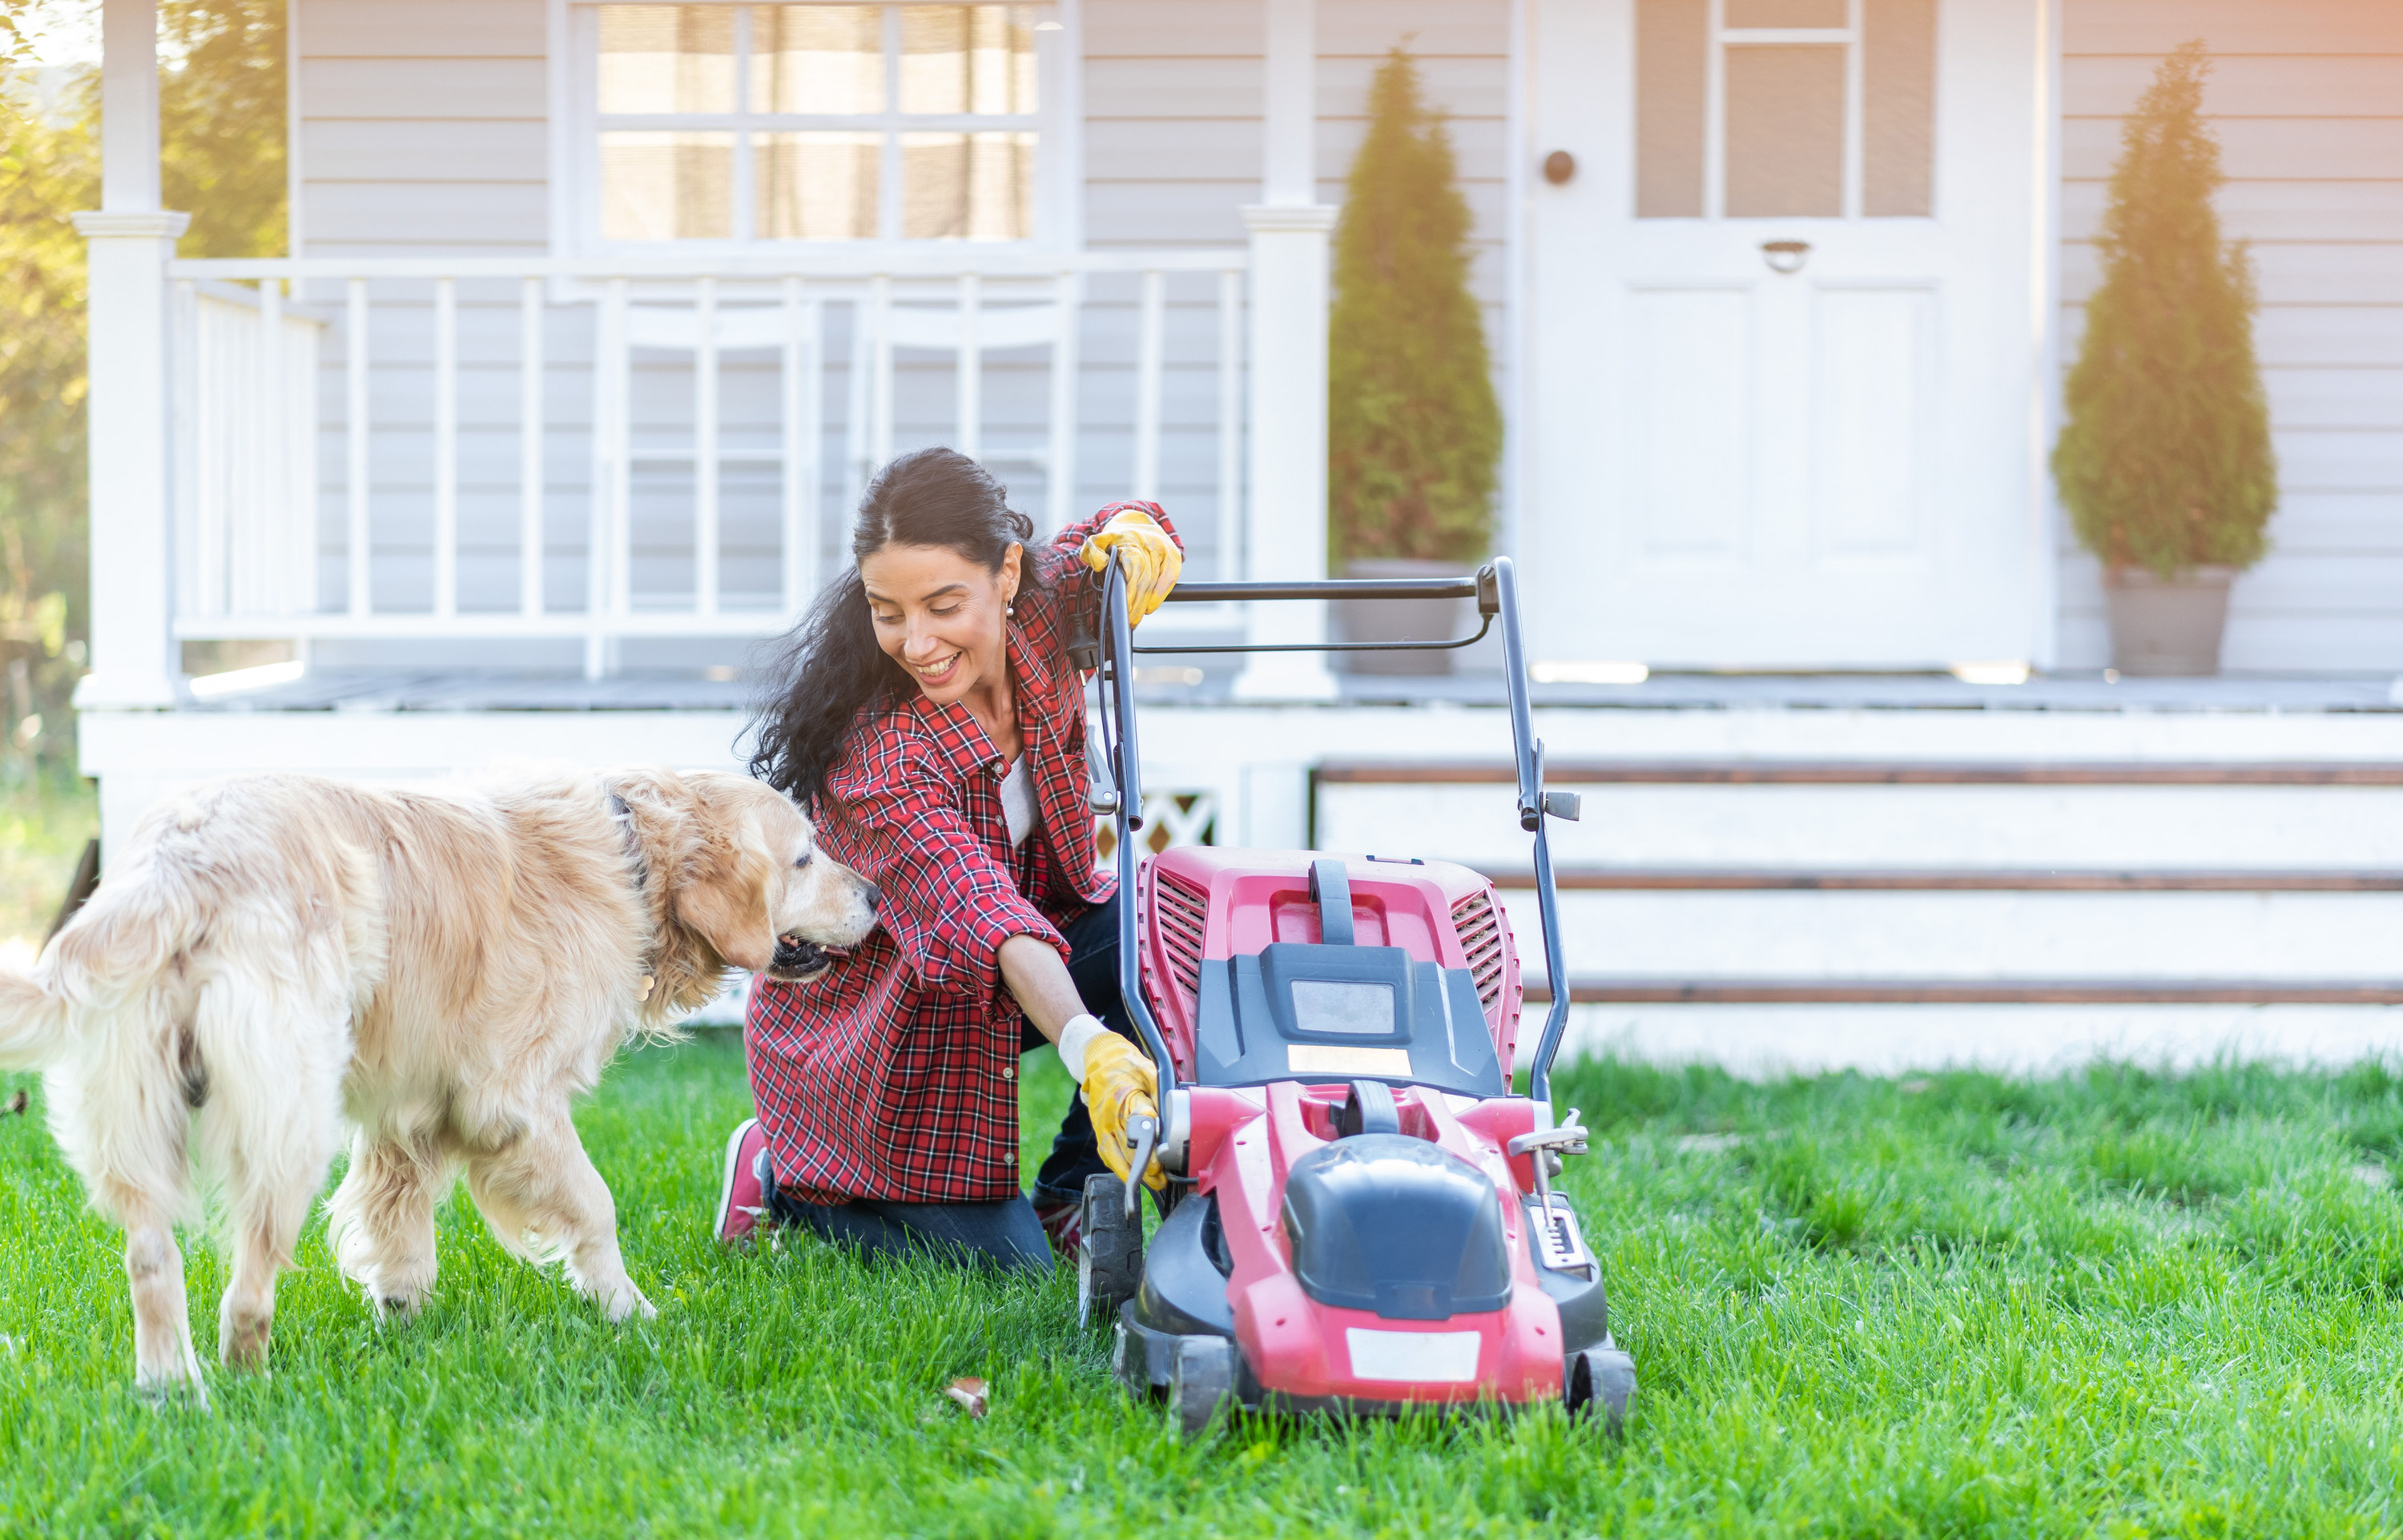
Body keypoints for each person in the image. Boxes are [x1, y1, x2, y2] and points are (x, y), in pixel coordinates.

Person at [712, 448, 1183, 1270]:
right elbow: (978, 909)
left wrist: (1141, 530)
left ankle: (1074, 1193)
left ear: (1006, 576)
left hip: (1026, 959)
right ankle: (781, 1172)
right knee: (1015, 1274)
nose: (916, 642)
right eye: (886, 611)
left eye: (941, 604)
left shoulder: (1037, 616)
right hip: (889, 1032)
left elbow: (1109, 542)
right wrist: (1089, 1046)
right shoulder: (880, 755)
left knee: (1177, 927)